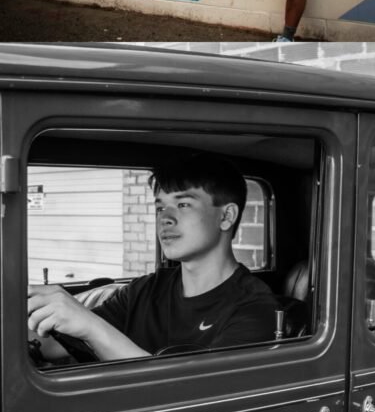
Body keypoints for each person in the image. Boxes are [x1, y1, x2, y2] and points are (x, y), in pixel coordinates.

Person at [27, 155, 281, 361]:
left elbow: (195, 397)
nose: (164, 218)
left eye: (183, 205)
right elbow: (56, 347)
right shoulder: (145, 290)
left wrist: (91, 326)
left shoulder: (255, 309)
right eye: (160, 207)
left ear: (226, 217)